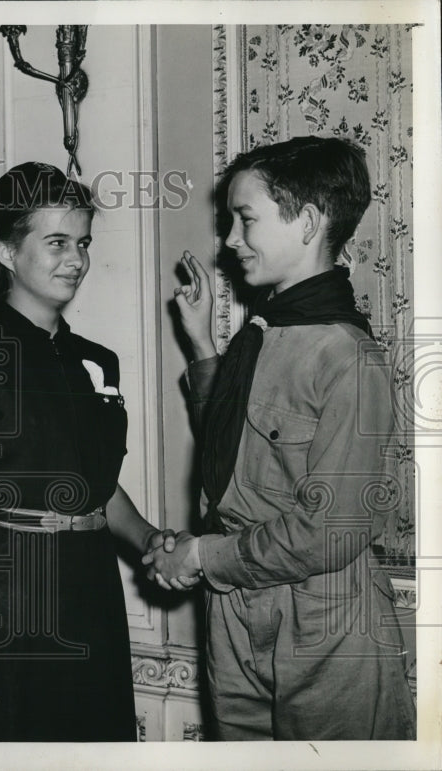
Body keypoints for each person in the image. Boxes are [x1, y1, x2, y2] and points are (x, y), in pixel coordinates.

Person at [146, 136, 417, 739]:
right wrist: (202, 348)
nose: (230, 243)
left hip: (323, 623)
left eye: (245, 221)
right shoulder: (265, 334)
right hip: (235, 615)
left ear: (309, 223)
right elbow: (238, 458)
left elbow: (331, 531)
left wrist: (199, 555)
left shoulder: (345, 354)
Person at [0, 161, 179, 741]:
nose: (77, 260)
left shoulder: (97, 360)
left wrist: (146, 539)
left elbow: (92, 483)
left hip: (91, 585)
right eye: (58, 242)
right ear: (7, 252)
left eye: (83, 243)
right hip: (7, 591)